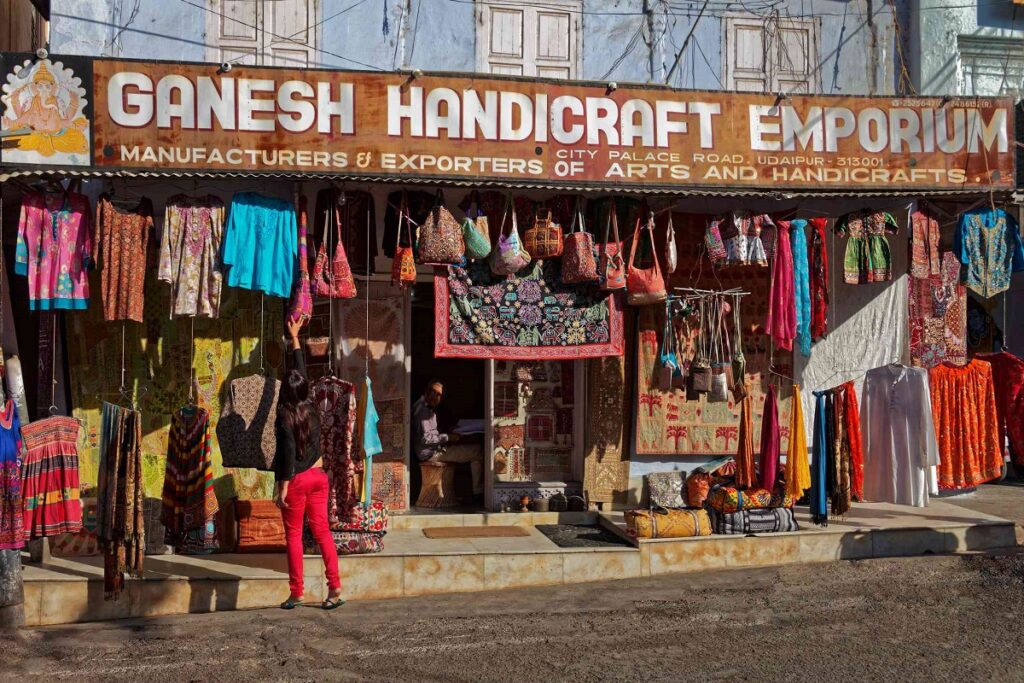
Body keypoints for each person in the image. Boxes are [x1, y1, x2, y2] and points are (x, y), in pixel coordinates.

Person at [274, 318, 344, 610]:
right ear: (304, 390)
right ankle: (335, 588)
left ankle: (296, 592)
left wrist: (282, 489)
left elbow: (288, 452)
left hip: (298, 480)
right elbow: (300, 372)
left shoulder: (285, 417)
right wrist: (295, 338)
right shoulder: (312, 406)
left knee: (293, 537)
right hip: (319, 476)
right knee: (322, 533)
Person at [412, 379, 484, 501]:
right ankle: (479, 492)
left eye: (439, 394)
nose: (435, 396)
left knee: (470, 446)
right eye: (433, 392)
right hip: (431, 453)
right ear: (426, 391)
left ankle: (477, 490)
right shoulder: (424, 411)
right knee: (477, 451)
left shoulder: (421, 406)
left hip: (432, 450)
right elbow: (426, 438)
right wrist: (448, 437)